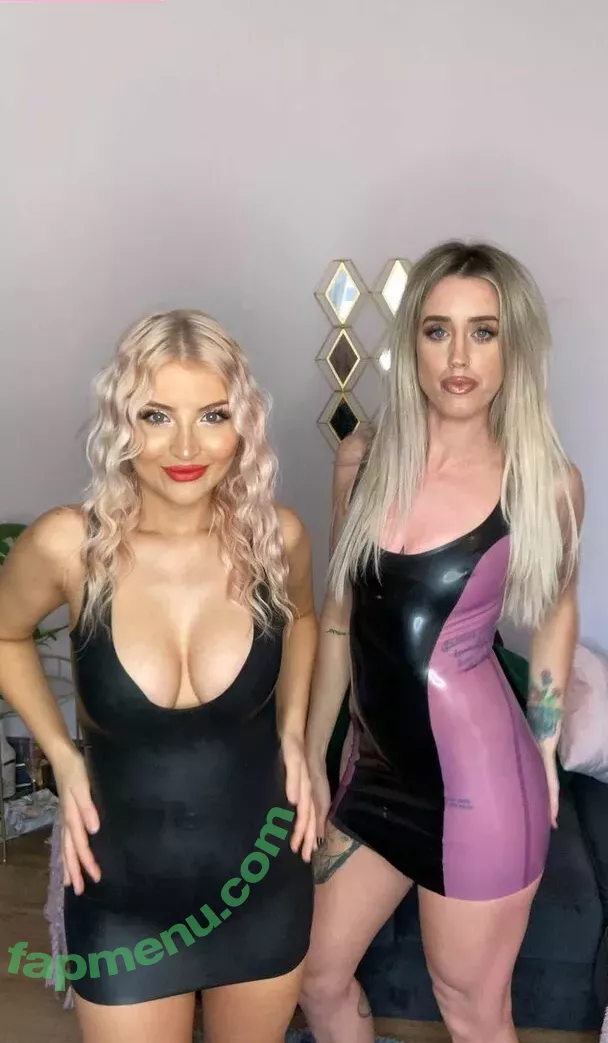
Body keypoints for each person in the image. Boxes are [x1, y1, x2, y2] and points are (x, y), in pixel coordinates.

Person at [0, 310, 317, 1043]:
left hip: (265, 881)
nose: (185, 447)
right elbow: (5, 631)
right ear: (121, 423)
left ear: (243, 426)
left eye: (212, 415)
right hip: (121, 902)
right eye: (156, 416)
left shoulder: (277, 540)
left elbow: (304, 619)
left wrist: (296, 731)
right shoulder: (70, 546)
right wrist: (62, 756)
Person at [301, 241, 585, 1043]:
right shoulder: (361, 460)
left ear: (513, 345)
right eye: (438, 330)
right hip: (374, 774)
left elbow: (557, 611)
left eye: (483, 332)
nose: (459, 357)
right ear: (413, 343)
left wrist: (546, 741)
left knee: (472, 1011)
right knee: (316, 976)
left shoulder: (543, 482)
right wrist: (317, 754)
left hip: (480, 787)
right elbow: (339, 615)